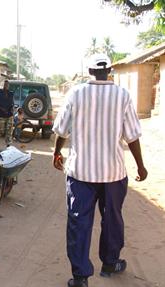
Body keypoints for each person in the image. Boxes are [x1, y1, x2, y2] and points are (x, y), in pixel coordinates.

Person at [52, 54, 148, 287]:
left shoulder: (75, 93)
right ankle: (110, 261)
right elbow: (132, 136)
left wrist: (57, 152)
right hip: (113, 174)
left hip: (80, 174)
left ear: (90, 71)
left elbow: (62, 130)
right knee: (113, 218)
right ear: (110, 70)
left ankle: (80, 276)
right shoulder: (122, 95)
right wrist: (140, 165)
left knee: (79, 222)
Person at [0, 80, 14, 146]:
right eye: (5, 85)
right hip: (1, 115)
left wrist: (12, 108)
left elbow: (12, 103)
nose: (6, 86)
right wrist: (2, 109)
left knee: (9, 130)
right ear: (3, 85)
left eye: (7, 85)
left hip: (9, 115)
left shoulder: (11, 93)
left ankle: (8, 144)